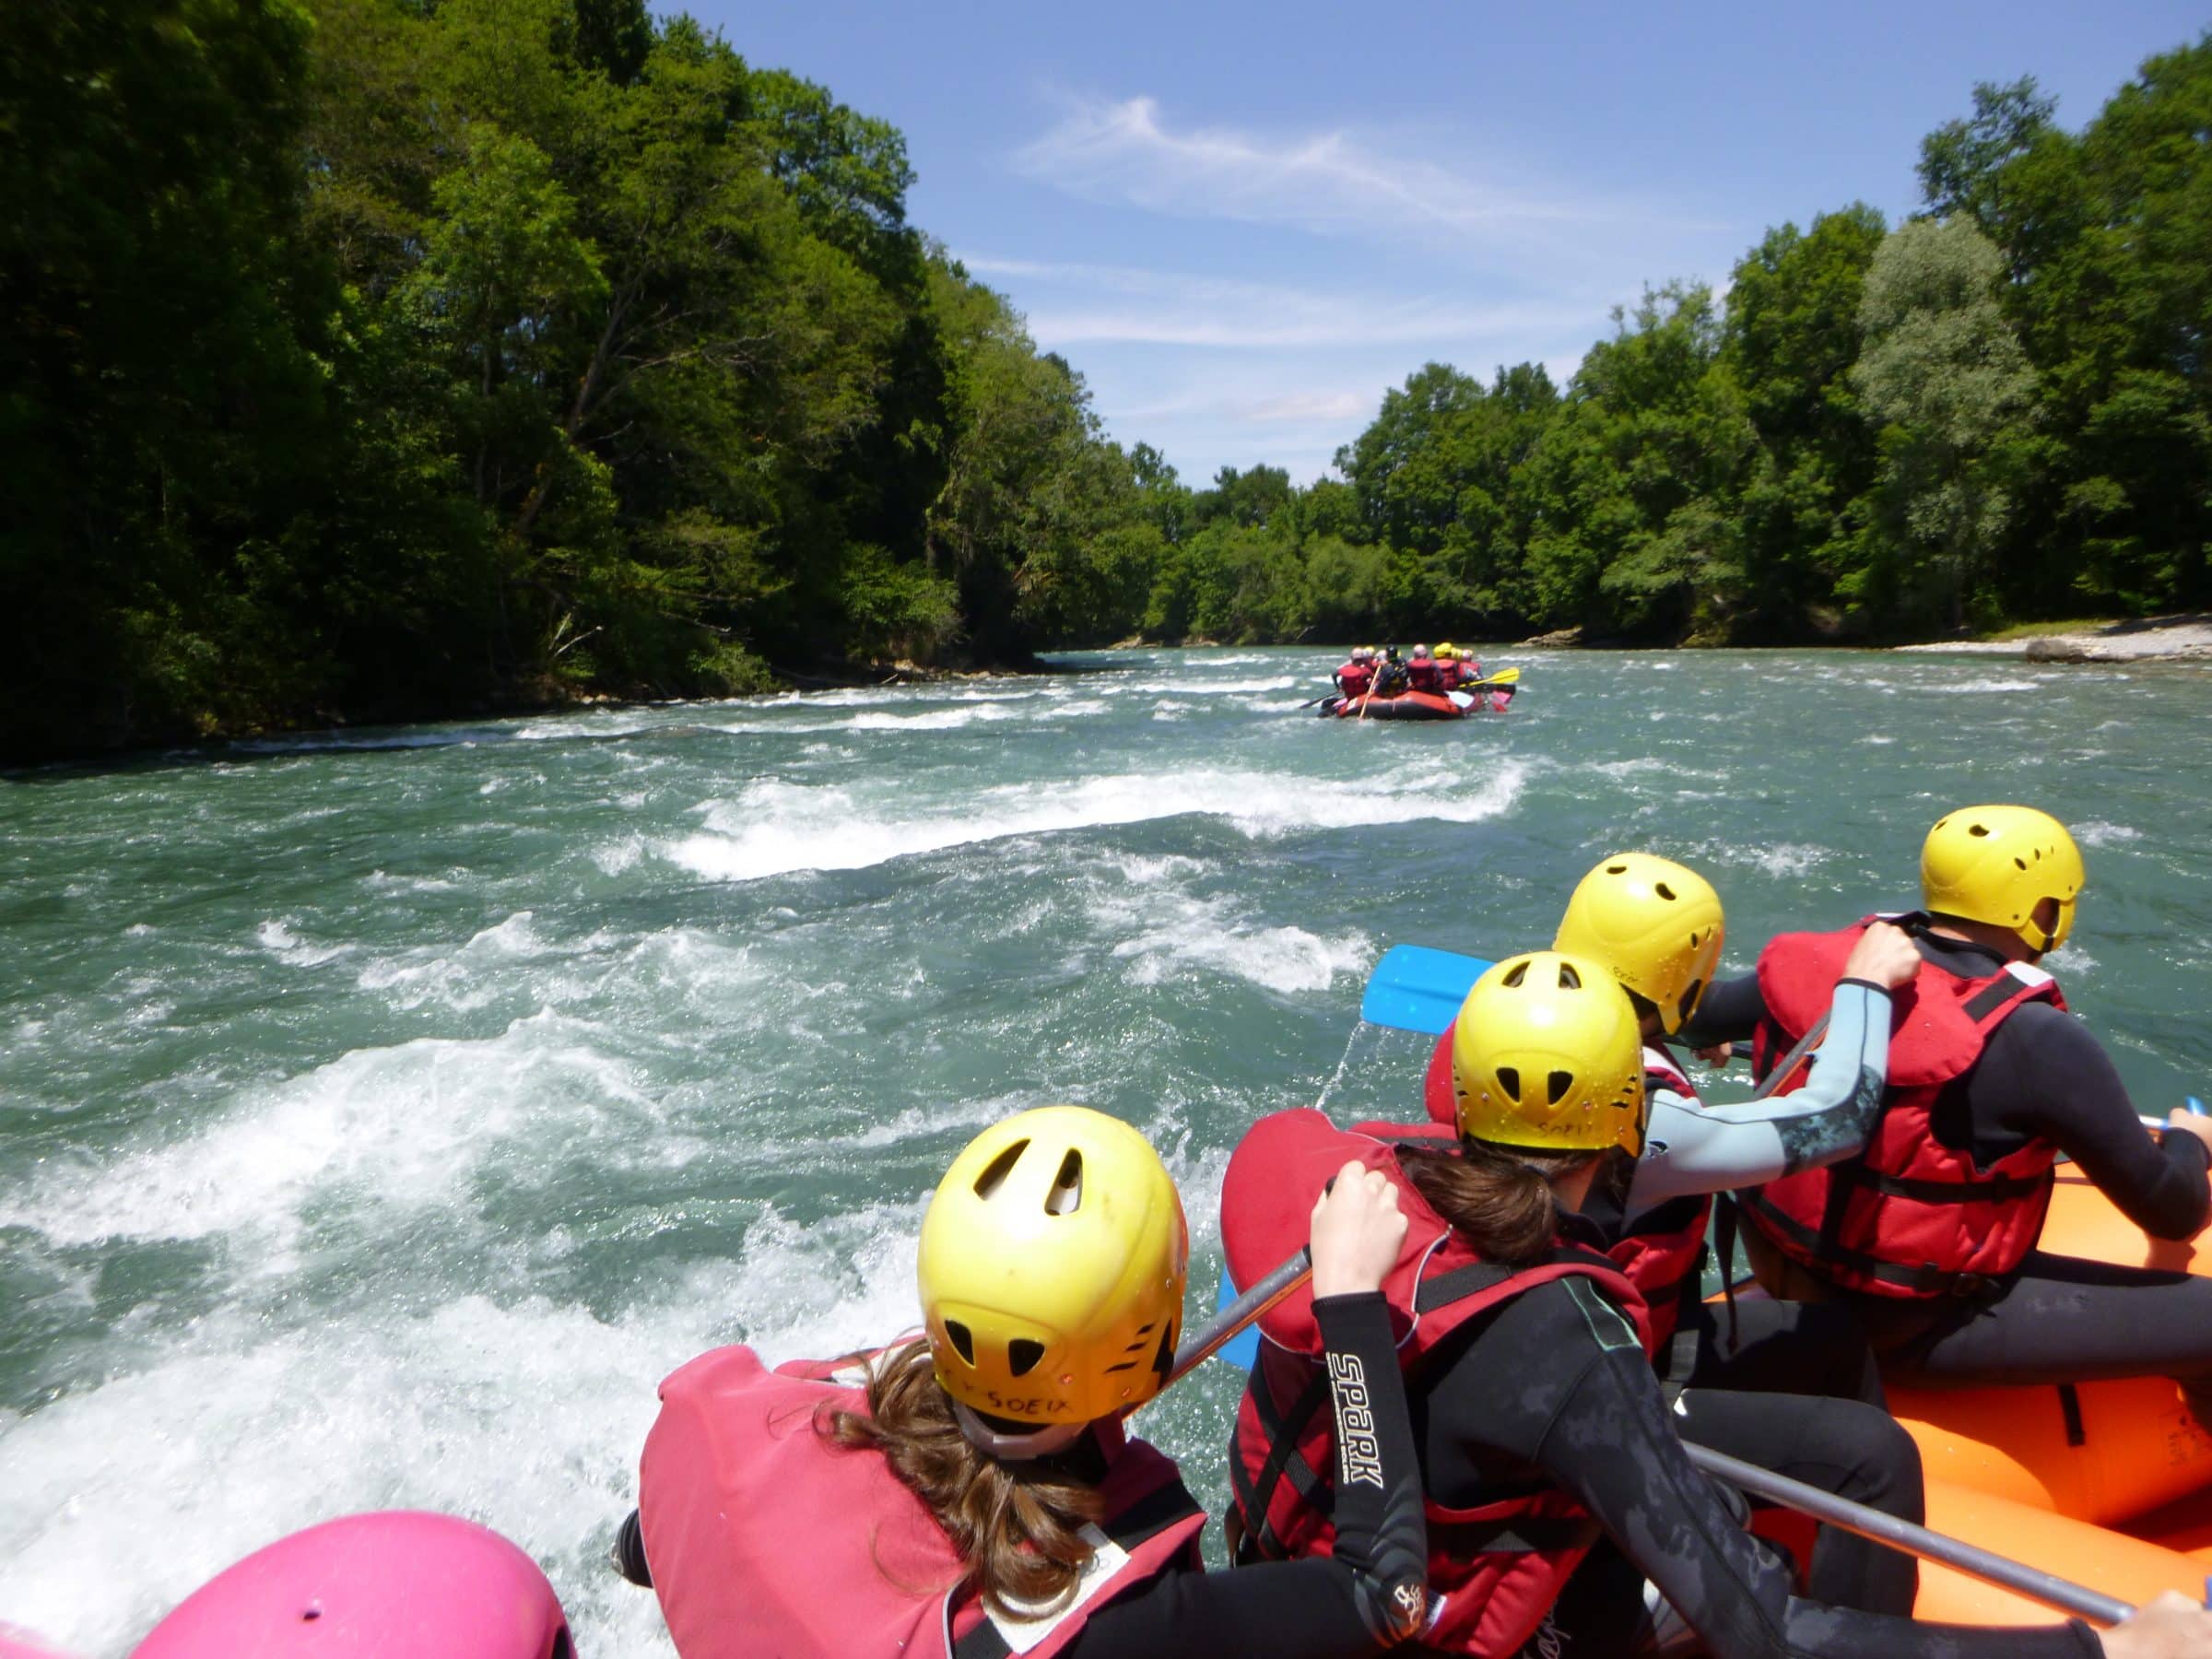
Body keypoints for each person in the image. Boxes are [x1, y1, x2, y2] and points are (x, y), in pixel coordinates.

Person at [1224, 952, 2212, 1658]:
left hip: (1300, 1580)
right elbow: (1766, 1628)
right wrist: (2108, 1650)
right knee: (1811, 1502)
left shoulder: (1375, 1193)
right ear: (1625, 1121)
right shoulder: (1567, 1338)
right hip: (1453, 1613)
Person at [621, 1105, 1431, 1658]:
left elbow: (643, 1547)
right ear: (1149, 1339)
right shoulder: (1120, 1628)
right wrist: (1352, 1306)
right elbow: (1383, 1593)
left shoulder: (792, 1414)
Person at [1401, 856, 1930, 1614]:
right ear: (1680, 984)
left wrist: (1676, 1047)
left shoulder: (1499, 1035)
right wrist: (1866, 986)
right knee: (1877, 1456)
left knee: (1831, 1336)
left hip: (1514, 1340)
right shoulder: (1646, 1122)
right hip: (1597, 1381)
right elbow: (1838, 1120)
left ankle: (1791, 1536)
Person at [1683, 805, 2212, 1409]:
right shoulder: (2036, 1038)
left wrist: (1727, 1034)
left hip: (1782, 1267)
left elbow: (1691, 1018)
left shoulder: (1825, 964)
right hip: (1909, 1329)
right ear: (2045, 913)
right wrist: (2190, 1139)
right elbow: (2173, 1213)